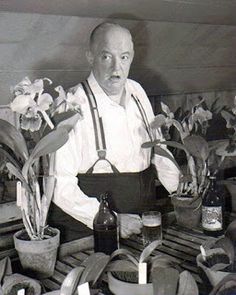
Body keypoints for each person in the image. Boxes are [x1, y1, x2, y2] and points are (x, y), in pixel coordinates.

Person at [49, 22, 180, 242]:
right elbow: (59, 186)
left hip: (142, 226)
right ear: (90, 57)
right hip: (91, 233)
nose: (116, 69)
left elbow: (158, 148)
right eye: (106, 57)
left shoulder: (137, 92)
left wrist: (181, 192)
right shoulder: (71, 105)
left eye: (124, 57)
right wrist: (112, 220)